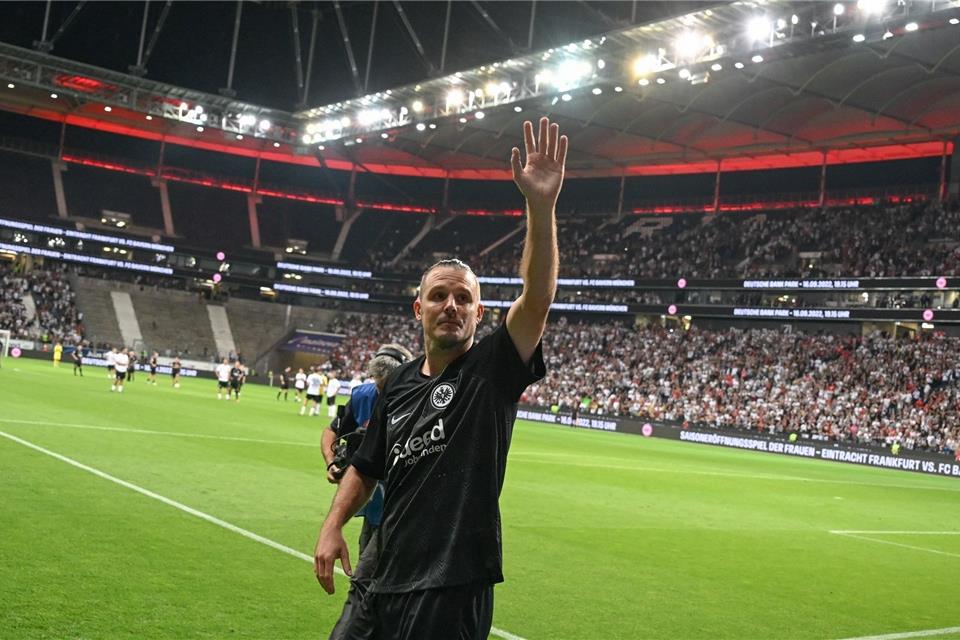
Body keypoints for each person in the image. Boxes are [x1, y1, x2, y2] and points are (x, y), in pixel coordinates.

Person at [314, 117, 565, 639]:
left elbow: (537, 298)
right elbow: (366, 466)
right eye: (439, 296)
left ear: (479, 312)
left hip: (453, 584)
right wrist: (334, 523)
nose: (451, 306)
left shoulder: (493, 369)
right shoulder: (398, 384)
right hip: (382, 571)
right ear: (418, 308)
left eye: (464, 298)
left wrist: (540, 208)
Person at [321, 344, 413, 556]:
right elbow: (331, 432)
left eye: (388, 387)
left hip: (407, 509)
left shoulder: (420, 400)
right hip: (374, 505)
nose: (381, 393)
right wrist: (332, 462)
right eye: (378, 386)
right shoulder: (363, 396)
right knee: (365, 576)